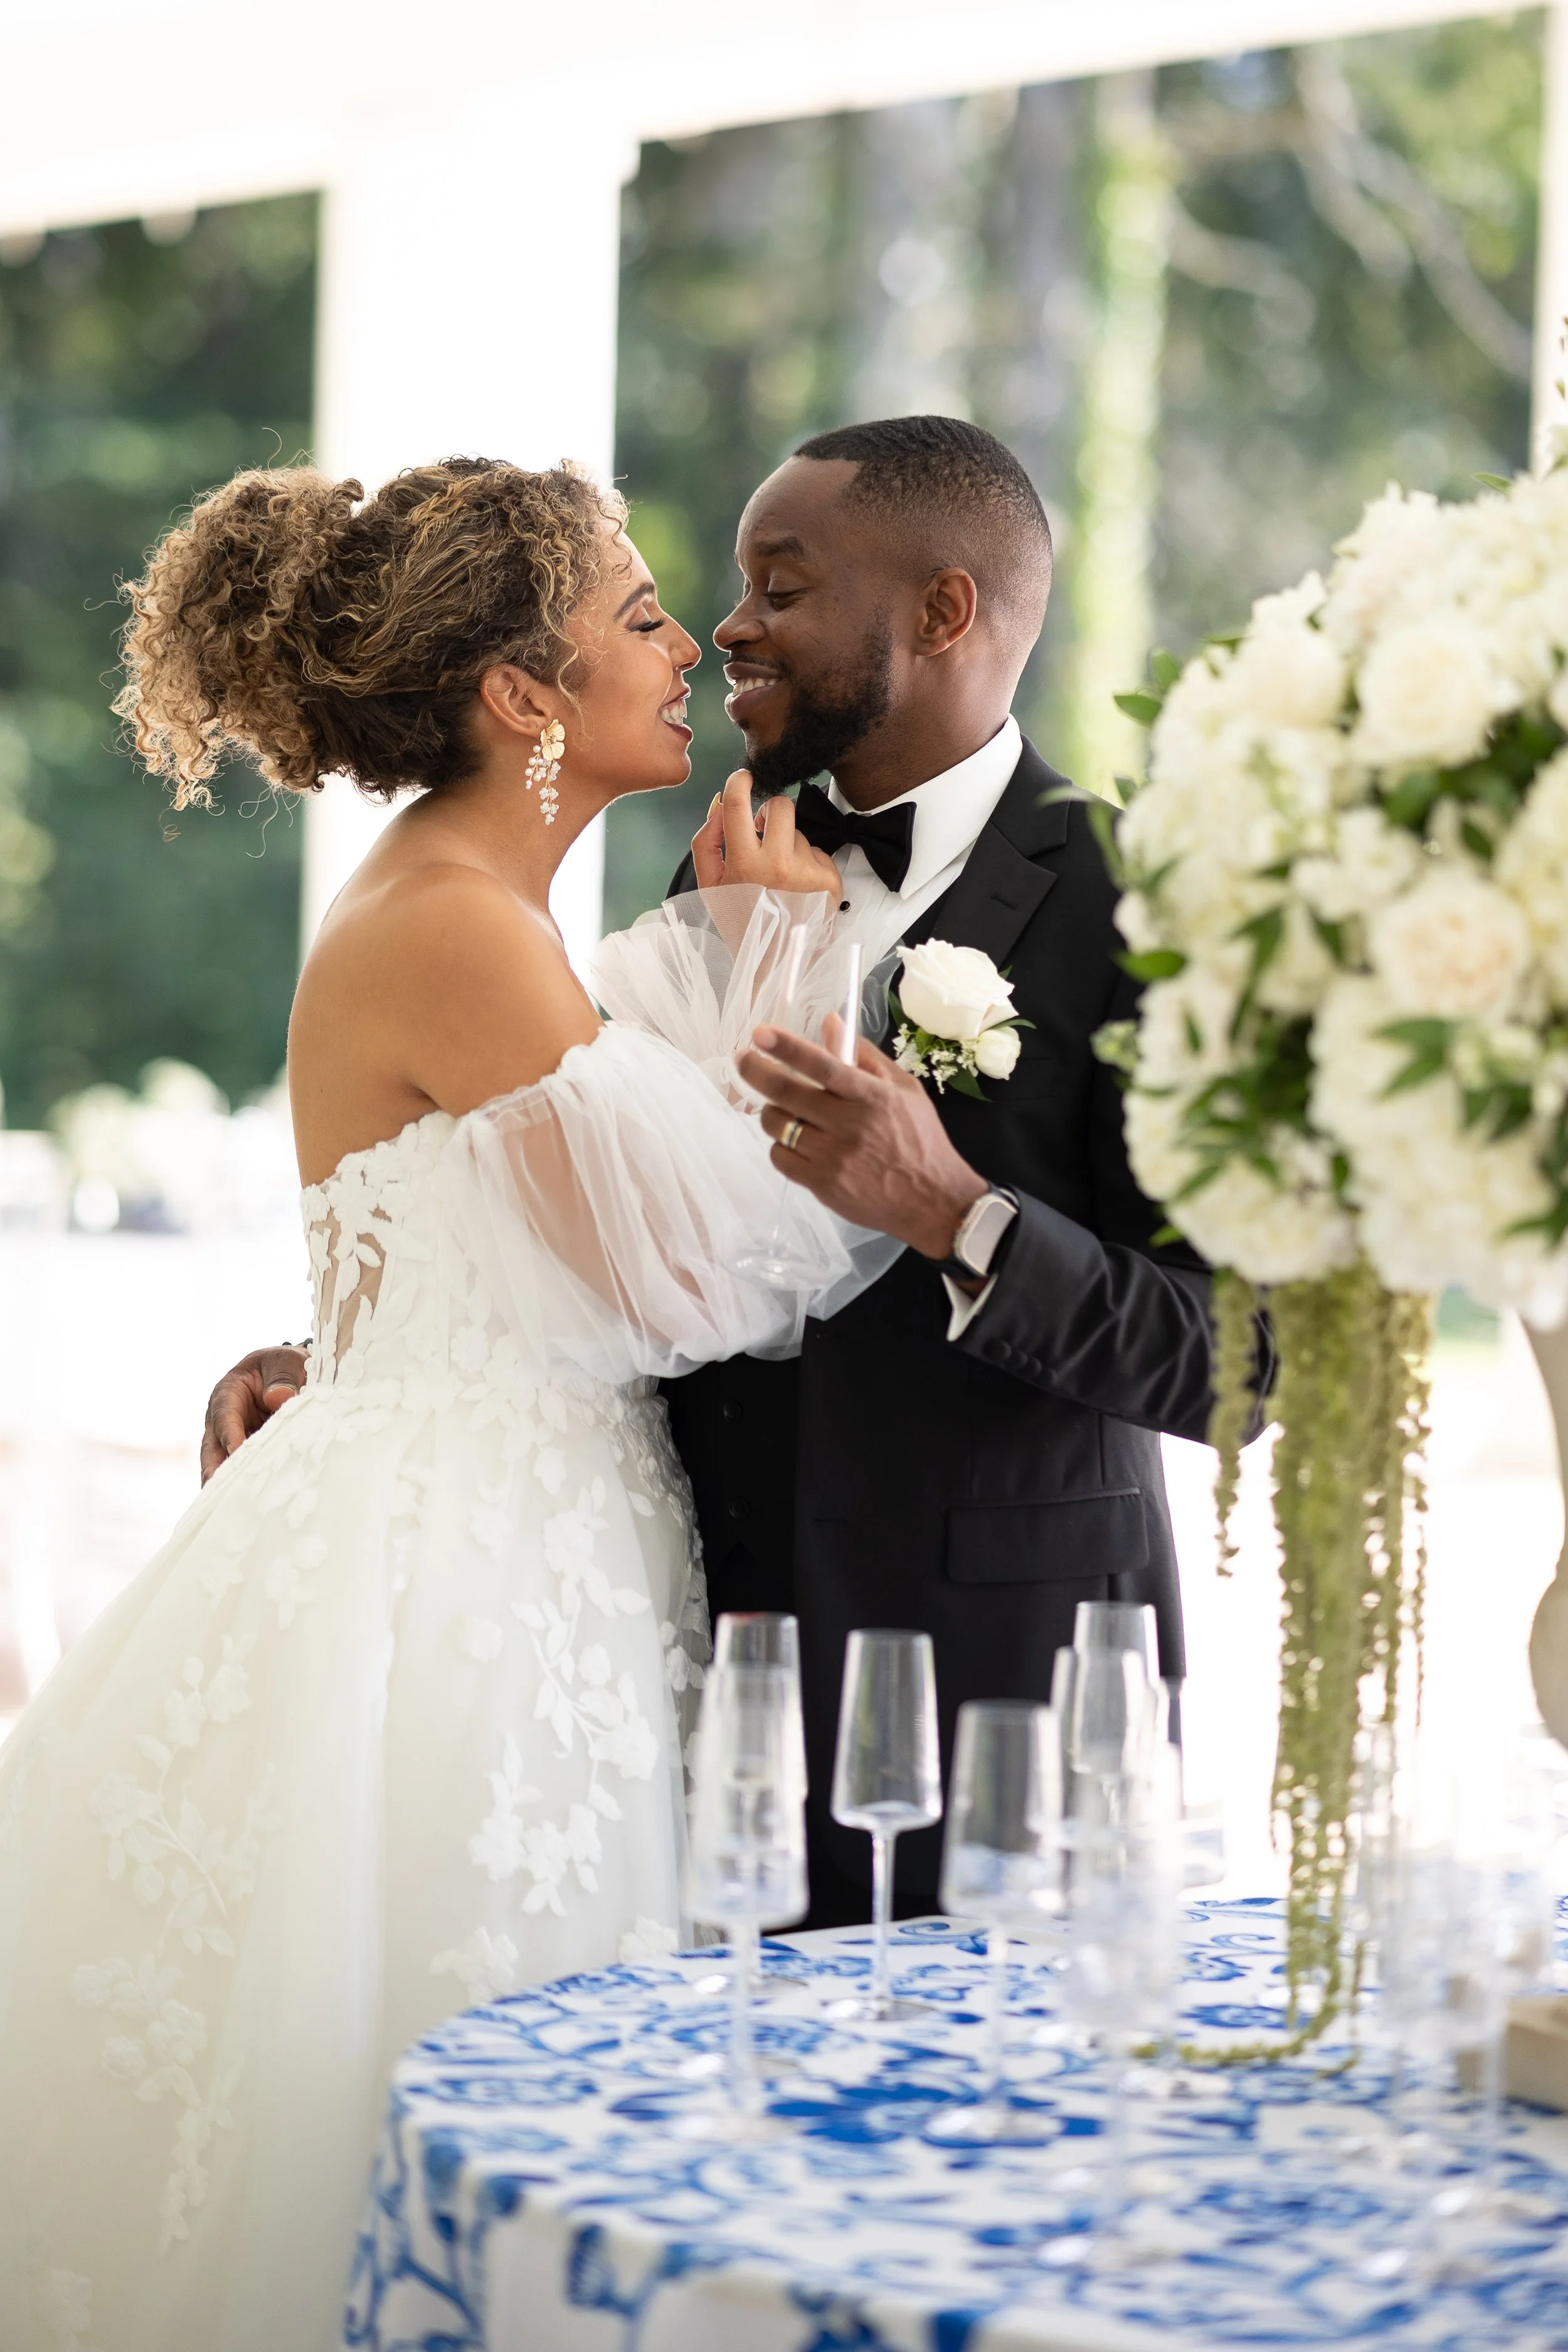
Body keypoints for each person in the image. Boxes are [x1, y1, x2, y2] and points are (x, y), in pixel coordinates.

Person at [0, 454, 895, 2352]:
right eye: (638, 618)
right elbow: (697, 1274)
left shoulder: (493, 917)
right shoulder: (454, 926)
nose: (685, 649)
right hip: (452, 1588)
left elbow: (573, 1205)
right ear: (522, 696)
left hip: (503, 1532)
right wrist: (788, 952)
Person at [206, 416, 1255, 1932]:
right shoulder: (719, 868)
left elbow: (1243, 1363)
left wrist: (956, 1218)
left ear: (942, 612)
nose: (725, 628)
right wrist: (351, 1358)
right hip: (678, 1695)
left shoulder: (1148, 907)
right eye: (707, 595)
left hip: (994, 1705)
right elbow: (608, 1210)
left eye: (780, 582)